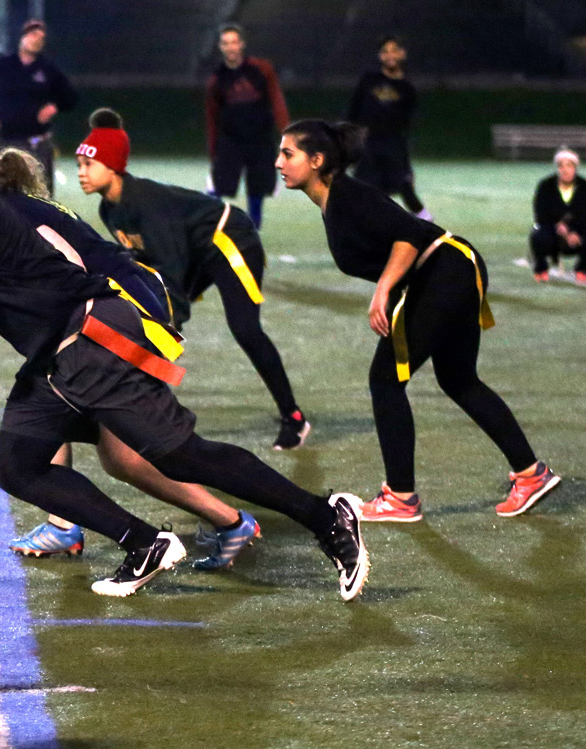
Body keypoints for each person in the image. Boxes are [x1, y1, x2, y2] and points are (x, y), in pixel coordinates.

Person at [0, 115, 367, 599]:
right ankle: (144, 542)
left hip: (89, 339)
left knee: (176, 453)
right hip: (65, 345)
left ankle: (323, 516)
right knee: (19, 464)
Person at [0, 133, 263, 570]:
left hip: (118, 324)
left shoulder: (8, 217)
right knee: (111, 448)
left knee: (133, 448)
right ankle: (226, 522)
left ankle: (263, 516)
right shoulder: (17, 208)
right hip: (110, 322)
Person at [278, 120, 560, 522]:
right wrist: (391, 293)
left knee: (386, 378)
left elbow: (409, 234)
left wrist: (382, 292)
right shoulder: (334, 202)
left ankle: (401, 497)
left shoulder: (347, 196)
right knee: (459, 380)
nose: (278, 162)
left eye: (288, 154)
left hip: (444, 269)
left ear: (317, 160)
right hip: (450, 269)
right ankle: (531, 474)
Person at [80, 109, 310, 450]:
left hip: (227, 237)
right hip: (193, 251)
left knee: (244, 328)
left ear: (113, 165)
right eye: (80, 165)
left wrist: (168, 323)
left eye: (89, 164)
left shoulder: (144, 203)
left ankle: (294, 418)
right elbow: (148, 267)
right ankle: (144, 415)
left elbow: (169, 274)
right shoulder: (109, 208)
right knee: (150, 322)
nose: (81, 173)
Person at [0, 19, 77, 194]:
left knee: (42, 195)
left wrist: (55, 106)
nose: (37, 40)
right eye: (33, 35)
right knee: (3, 193)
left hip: (37, 143)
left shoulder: (47, 69)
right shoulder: (2, 65)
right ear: (22, 37)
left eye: (42, 37)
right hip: (5, 141)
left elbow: (71, 97)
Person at [205, 23, 287, 229]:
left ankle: (253, 230)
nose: (231, 47)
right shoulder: (216, 80)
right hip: (231, 141)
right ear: (220, 47)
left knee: (257, 188)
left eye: (234, 42)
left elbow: (277, 100)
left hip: (260, 140)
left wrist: (286, 132)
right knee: (220, 186)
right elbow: (212, 116)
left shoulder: (262, 69)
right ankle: (210, 229)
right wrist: (213, 150)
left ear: (242, 44)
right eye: (226, 43)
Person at [348, 35, 428, 219]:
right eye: (385, 51)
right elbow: (352, 113)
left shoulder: (407, 88)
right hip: (367, 147)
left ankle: (428, 225)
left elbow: (406, 126)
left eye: (394, 50)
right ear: (380, 56)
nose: (389, 55)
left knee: (406, 190)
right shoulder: (369, 80)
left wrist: (407, 165)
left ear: (402, 54)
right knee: (366, 193)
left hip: (393, 147)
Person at [529, 147, 586, 284]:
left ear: (575, 167)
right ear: (557, 168)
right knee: (537, 234)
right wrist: (557, 226)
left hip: (577, 234)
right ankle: (541, 269)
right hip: (552, 231)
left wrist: (576, 232)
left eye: (569, 165)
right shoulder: (546, 186)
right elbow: (540, 213)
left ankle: (582, 270)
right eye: (561, 165)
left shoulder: (584, 187)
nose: (565, 170)